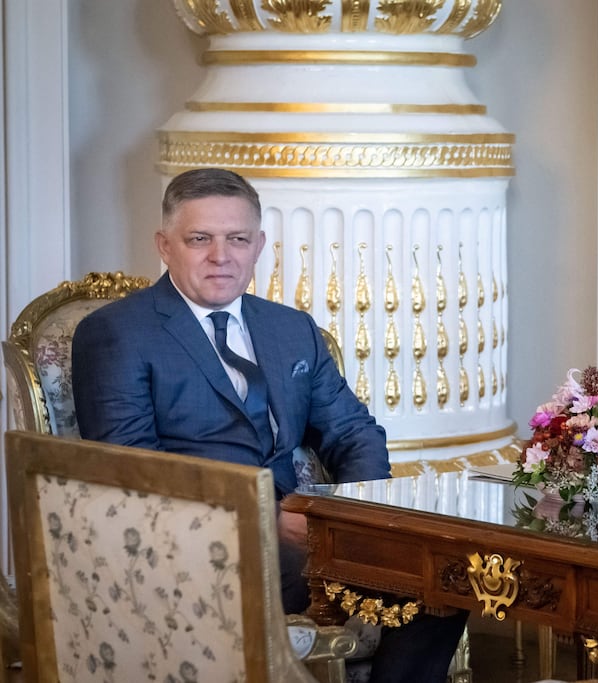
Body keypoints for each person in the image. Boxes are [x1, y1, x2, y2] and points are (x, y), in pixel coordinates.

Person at [72, 167, 467, 682]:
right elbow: (130, 475)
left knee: (448, 573)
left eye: (237, 239)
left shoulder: (290, 329)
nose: (221, 255)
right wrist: (264, 518)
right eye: (200, 239)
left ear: (259, 245)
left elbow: (353, 432)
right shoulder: (116, 333)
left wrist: (349, 518)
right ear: (164, 245)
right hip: (197, 547)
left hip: (310, 528)